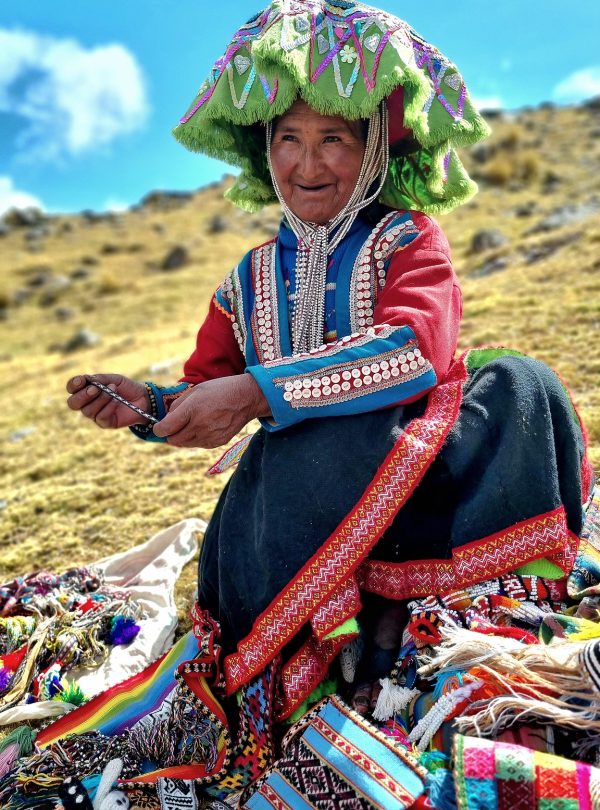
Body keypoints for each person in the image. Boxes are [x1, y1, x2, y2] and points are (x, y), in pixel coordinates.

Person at [67, 0, 592, 731]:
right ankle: (337, 639)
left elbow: (415, 352)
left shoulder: (408, 238)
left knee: (519, 386)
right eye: (288, 138)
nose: (307, 164)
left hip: (423, 489)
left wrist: (260, 392)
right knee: (294, 452)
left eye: (334, 139)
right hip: (301, 501)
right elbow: (202, 393)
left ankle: (431, 611)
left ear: (374, 145)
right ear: (264, 148)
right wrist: (150, 409)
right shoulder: (244, 282)